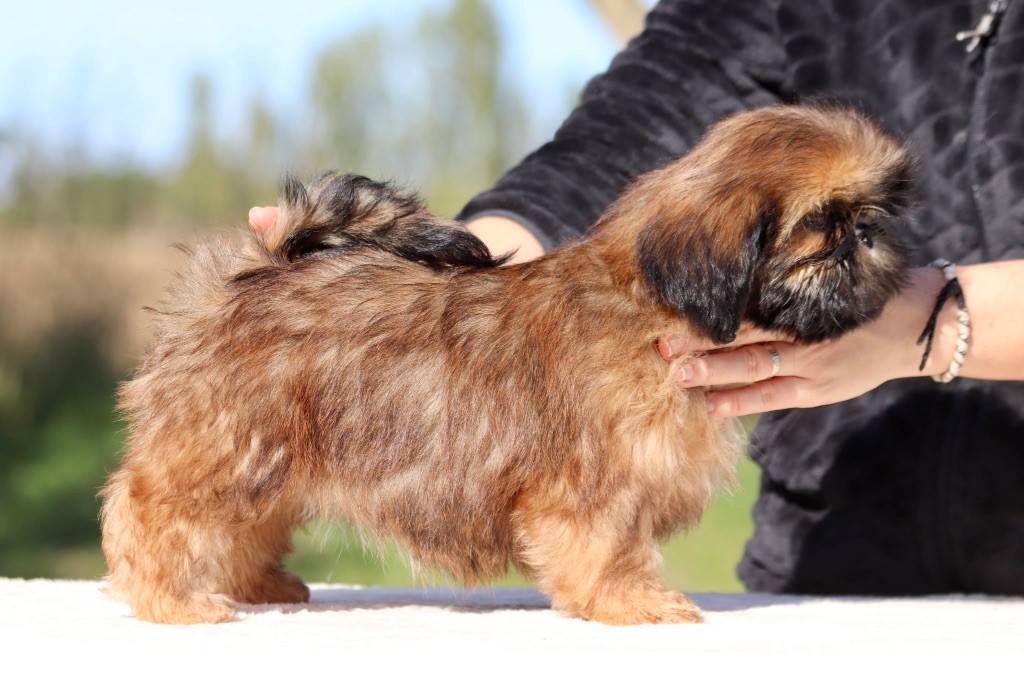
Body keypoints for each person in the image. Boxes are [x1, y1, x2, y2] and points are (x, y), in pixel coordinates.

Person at [251, 0, 1024, 594]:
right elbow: (641, 119)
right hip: (836, 547)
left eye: (874, 220)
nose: (868, 244)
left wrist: (940, 319)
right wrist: (464, 274)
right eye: (828, 229)